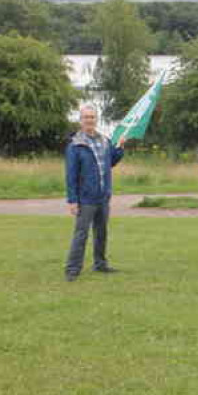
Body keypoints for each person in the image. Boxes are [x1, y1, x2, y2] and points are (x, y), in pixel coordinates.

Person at [64, 103, 127, 281]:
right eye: (86, 117)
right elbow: (71, 175)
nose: (89, 120)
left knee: (101, 232)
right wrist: (72, 200)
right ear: (81, 120)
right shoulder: (75, 145)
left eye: (92, 117)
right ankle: (72, 269)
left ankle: (100, 264)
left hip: (103, 197)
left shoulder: (105, 141)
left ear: (96, 119)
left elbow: (110, 162)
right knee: (81, 234)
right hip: (85, 199)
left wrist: (120, 148)